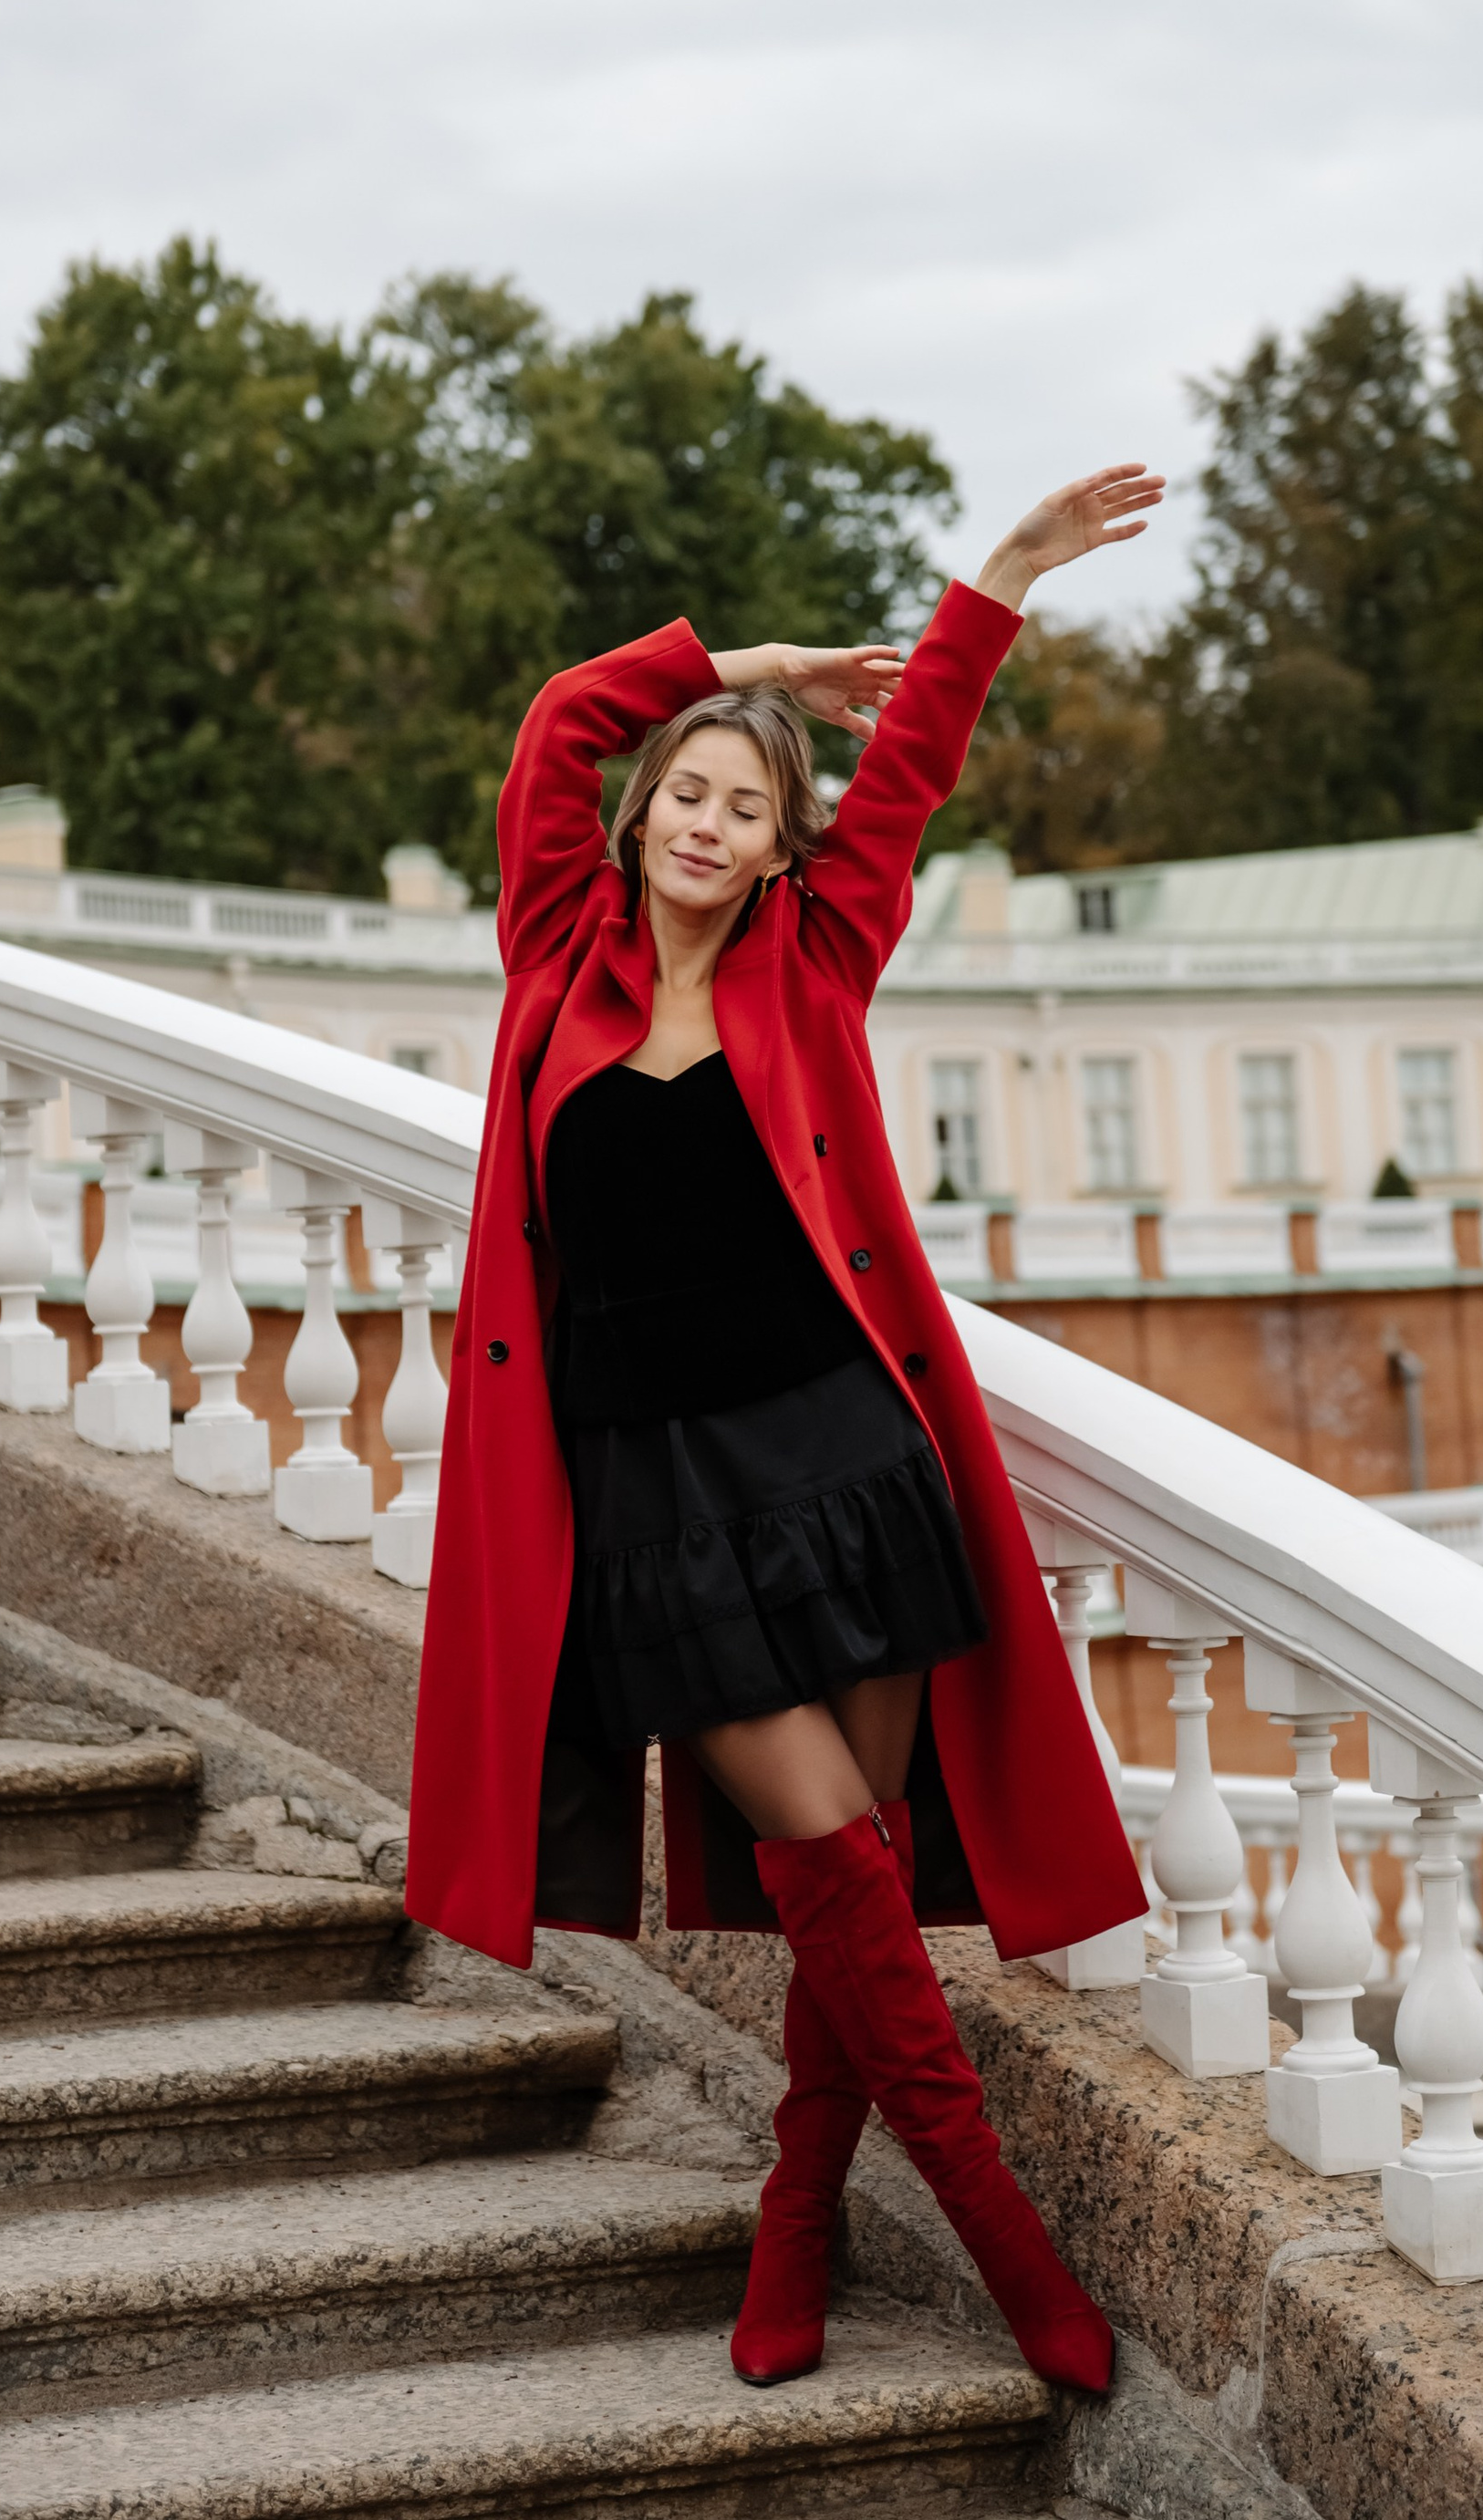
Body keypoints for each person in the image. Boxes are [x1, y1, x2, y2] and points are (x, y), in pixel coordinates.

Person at [407, 465, 1162, 2397]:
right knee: (823, 1839)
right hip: (652, 1499)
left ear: (771, 852)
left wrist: (991, 577)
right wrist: (739, 670)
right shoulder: (548, 955)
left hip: (842, 1467)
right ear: (641, 813)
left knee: (866, 1869)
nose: (708, 821)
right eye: (687, 790)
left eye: (747, 804)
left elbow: (906, 769)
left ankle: (801, 2202)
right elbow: (558, 714)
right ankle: (1005, 2243)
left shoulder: (812, 954)